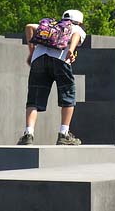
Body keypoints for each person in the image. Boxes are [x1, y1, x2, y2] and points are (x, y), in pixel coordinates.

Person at [17, 10, 86, 146]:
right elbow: (76, 34)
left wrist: (31, 52)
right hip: (61, 60)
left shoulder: (52, 26)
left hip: (38, 60)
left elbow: (29, 27)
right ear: (80, 22)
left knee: (34, 98)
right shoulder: (76, 27)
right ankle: (63, 134)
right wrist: (71, 50)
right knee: (68, 95)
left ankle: (28, 134)